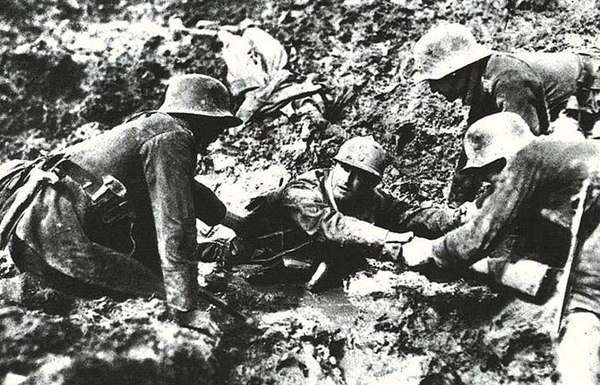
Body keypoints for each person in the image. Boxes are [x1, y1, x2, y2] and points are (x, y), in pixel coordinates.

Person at [0, 74, 242, 332]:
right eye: (219, 124)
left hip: (33, 234)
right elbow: (175, 223)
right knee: (156, 294)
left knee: (153, 278)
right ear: (201, 117)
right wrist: (186, 309)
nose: (219, 134)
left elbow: (184, 188)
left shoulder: (151, 126)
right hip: (55, 246)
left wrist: (236, 222)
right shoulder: (173, 137)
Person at [402, 112, 600, 384]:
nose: (491, 182)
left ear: (501, 158)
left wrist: (431, 251)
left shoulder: (527, 159)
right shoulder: (559, 151)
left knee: (583, 312)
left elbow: (478, 239)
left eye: (488, 174)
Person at [221, 135, 467, 290]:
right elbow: (331, 225)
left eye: (361, 176)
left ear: (373, 184)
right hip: (251, 262)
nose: (349, 180)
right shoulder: (301, 191)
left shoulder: (371, 199)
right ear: (334, 165)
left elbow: (410, 215)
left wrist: (456, 218)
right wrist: (397, 246)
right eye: (345, 168)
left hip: (302, 270)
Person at [412, 22, 600, 204]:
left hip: (592, 90)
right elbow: (472, 152)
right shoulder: (482, 83)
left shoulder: (508, 80)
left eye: (434, 81)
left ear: (454, 73)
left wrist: (486, 207)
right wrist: (455, 208)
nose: (433, 90)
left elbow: (525, 156)